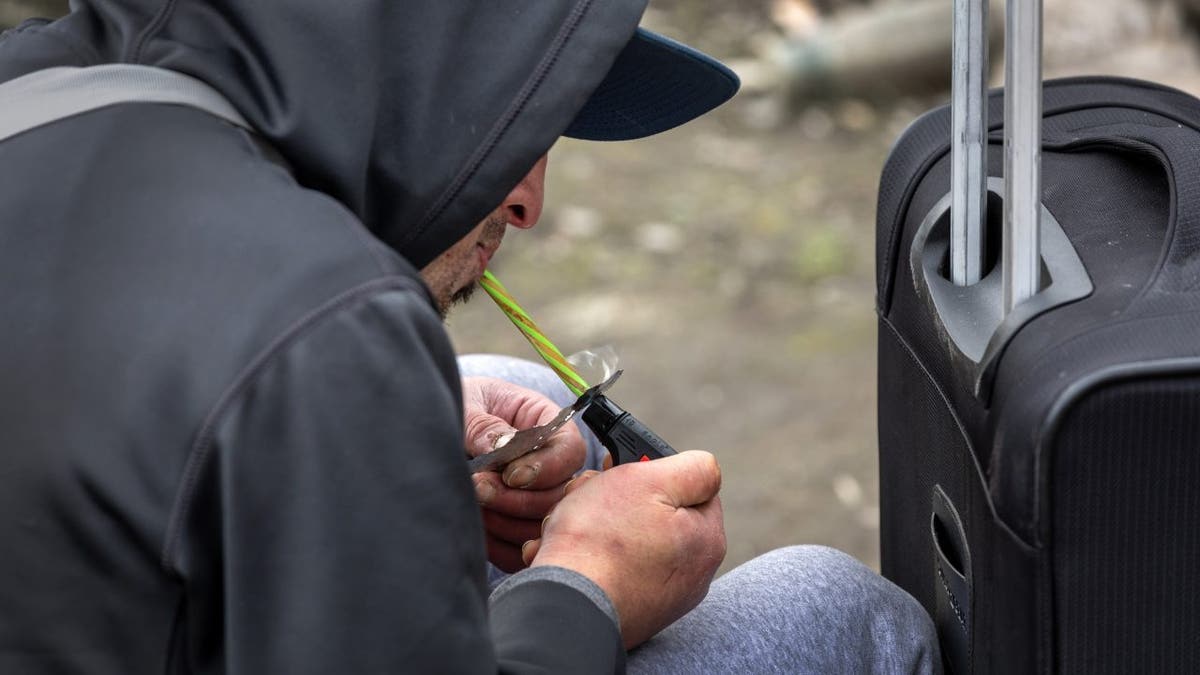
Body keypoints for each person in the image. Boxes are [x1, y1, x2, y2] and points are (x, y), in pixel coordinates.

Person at [0, 1, 940, 673]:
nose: (529, 201)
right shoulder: (319, 326)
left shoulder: (42, 88)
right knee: (831, 608)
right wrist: (586, 589)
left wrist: (385, 414)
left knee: (490, 376)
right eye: (515, 120)